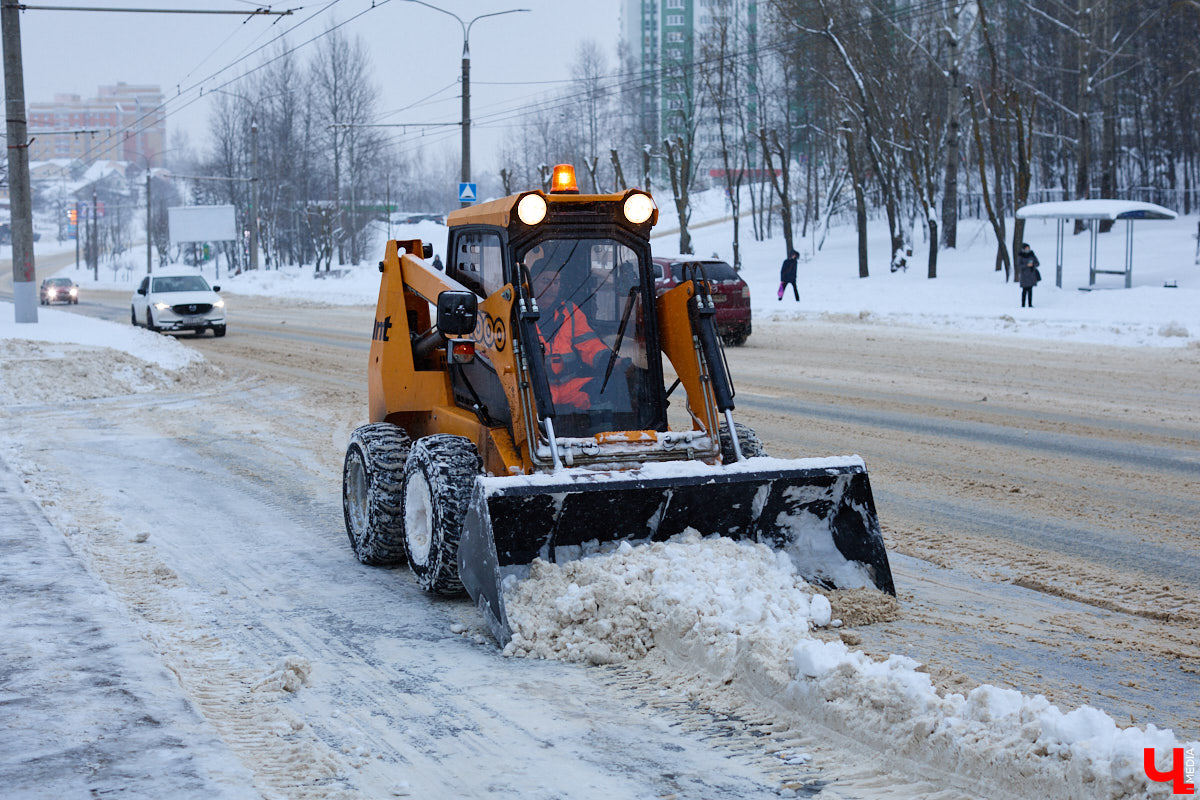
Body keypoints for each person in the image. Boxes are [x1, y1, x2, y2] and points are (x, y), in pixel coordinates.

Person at [528, 248, 610, 411]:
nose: (552, 287)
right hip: (533, 391)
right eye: (546, 281)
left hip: (570, 387)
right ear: (532, 282)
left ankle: (607, 435)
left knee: (606, 392)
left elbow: (590, 345)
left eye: (556, 282)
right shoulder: (518, 313)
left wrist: (611, 361)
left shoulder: (569, 311)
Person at [1016, 242, 1041, 308]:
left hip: (1031, 275)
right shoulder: (1021, 255)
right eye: (1026, 248)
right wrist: (1026, 265)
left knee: (1030, 290)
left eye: (1028, 248)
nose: (1027, 249)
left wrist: (1033, 265)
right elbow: (1019, 265)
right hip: (1024, 275)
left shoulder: (1032, 255)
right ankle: (1023, 304)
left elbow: (1037, 263)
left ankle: (1030, 304)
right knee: (1024, 290)